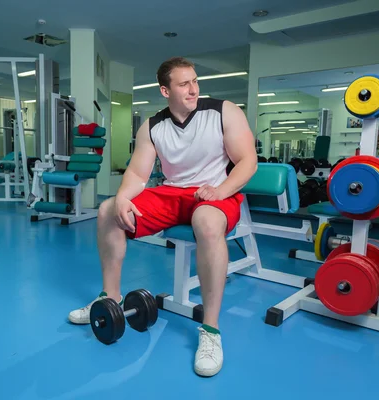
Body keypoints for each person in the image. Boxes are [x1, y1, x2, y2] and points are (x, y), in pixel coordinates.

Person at [67, 56, 257, 377]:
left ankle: (210, 331)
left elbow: (247, 161)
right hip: (172, 192)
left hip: (216, 190)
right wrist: (124, 197)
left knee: (207, 222)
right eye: (184, 84)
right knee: (107, 210)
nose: (193, 89)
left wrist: (221, 191)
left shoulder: (223, 111)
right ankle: (109, 297)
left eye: (195, 81)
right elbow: (138, 173)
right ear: (165, 91)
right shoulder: (153, 127)